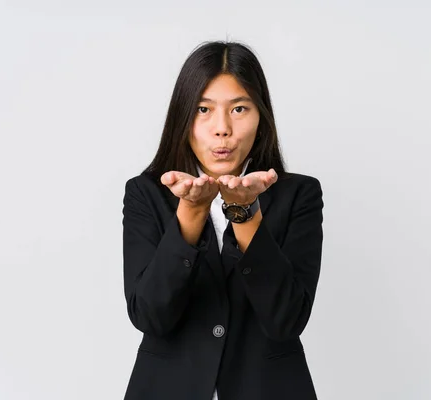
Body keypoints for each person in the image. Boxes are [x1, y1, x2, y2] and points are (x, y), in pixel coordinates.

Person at [121, 40, 324, 400]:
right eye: (203, 109)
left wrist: (245, 215)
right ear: (182, 117)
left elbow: (287, 320)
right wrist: (191, 214)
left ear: (261, 117)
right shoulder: (146, 194)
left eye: (239, 109)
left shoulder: (299, 195)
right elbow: (150, 316)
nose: (222, 129)